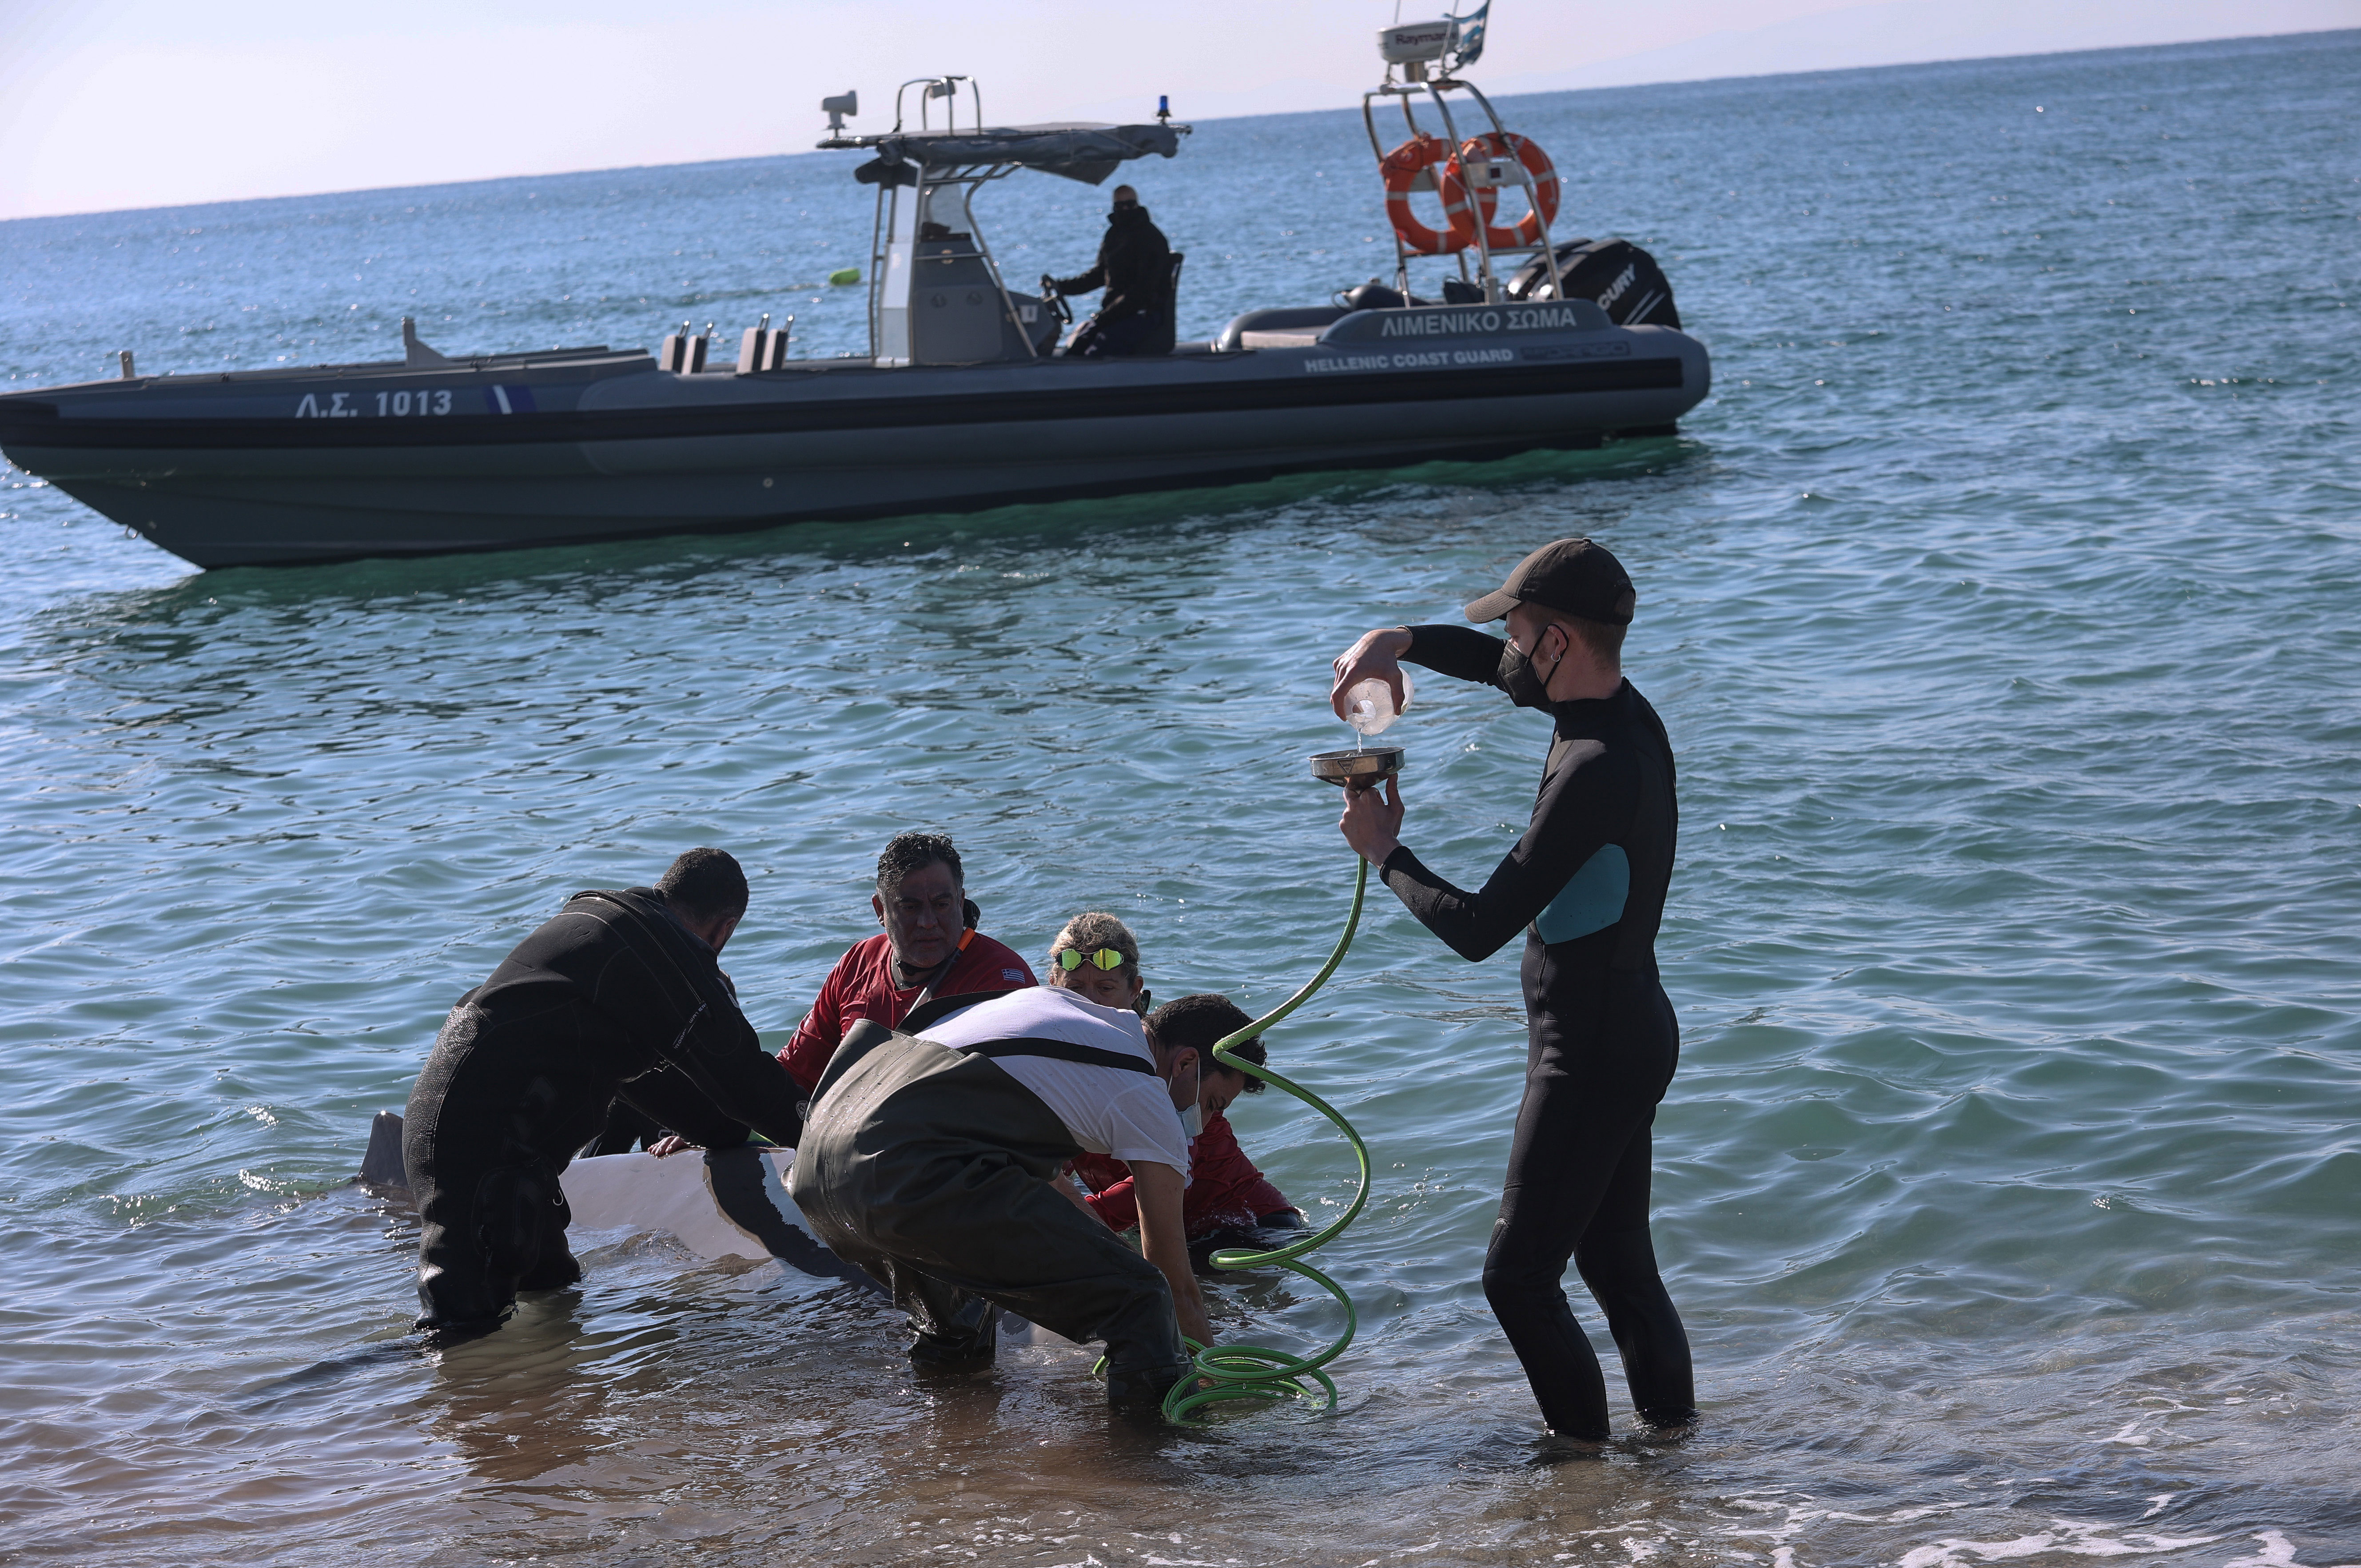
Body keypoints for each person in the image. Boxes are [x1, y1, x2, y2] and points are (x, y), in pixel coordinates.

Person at [1326, 537, 1697, 1442]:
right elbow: (1491, 668)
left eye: (1519, 629)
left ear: (1558, 642)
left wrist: (1386, 856)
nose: (1507, 648)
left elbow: (1477, 926)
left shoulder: (1589, 775)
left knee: (1515, 1278)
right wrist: (1396, 641)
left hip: (1590, 1048)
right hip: (1629, 1025)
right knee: (1615, 1264)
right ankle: (1673, 1454)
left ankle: (1577, 1480)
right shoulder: (1617, 717)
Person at [402, 848, 807, 1342]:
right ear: (723, 930)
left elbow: (657, 1088)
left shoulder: (610, 925)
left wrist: (717, 1133)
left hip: (459, 1123)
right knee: (459, 1334)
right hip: (483, 1142)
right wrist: (826, 1137)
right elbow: (745, 1076)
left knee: (553, 1293)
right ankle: (358, 1398)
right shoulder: (664, 953)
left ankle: (539, 1415)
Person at [787, 982, 1219, 1408]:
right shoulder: (1146, 1091)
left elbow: (1047, 1194)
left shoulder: (1059, 1008)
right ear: (1185, 1062)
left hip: (821, 1159)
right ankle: (1156, 1468)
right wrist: (1208, 1380)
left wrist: (1112, 1257)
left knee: (958, 1322)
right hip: (908, 1168)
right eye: (1214, 1102)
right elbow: (1175, 1285)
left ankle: (951, 1446)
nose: (1205, 1120)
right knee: (1142, 1300)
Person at [1041, 915, 1301, 1252]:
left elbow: (1151, 1183)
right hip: (1185, 1227)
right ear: (1052, 987)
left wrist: (1060, 1222)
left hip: (1253, 1227)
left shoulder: (1166, 1075)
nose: (1089, 1004)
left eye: (1105, 989)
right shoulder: (1059, 1061)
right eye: (1075, 989)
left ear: (1134, 990)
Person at [775, 832, 1035, 1094]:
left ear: (960, 901)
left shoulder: (1001, 981)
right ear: (881, 911)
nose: (928, 922)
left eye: (942, 904)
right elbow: (795, 1075)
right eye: (910, 908)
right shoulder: (857, 965)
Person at [1047, 183, 1174, 358]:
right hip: (1116, 313)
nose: (1126, 210)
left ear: (1137, 204)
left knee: (1099, 349)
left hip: (1142, 313)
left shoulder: (1151, 238)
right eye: (1120, 206)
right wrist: (1062, 287)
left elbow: (1142, 291)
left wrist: (1105, 317)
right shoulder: (1113, 236)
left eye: (1130, 205)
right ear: (1114, 207)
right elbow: (1100, 275)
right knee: (1077, 347)